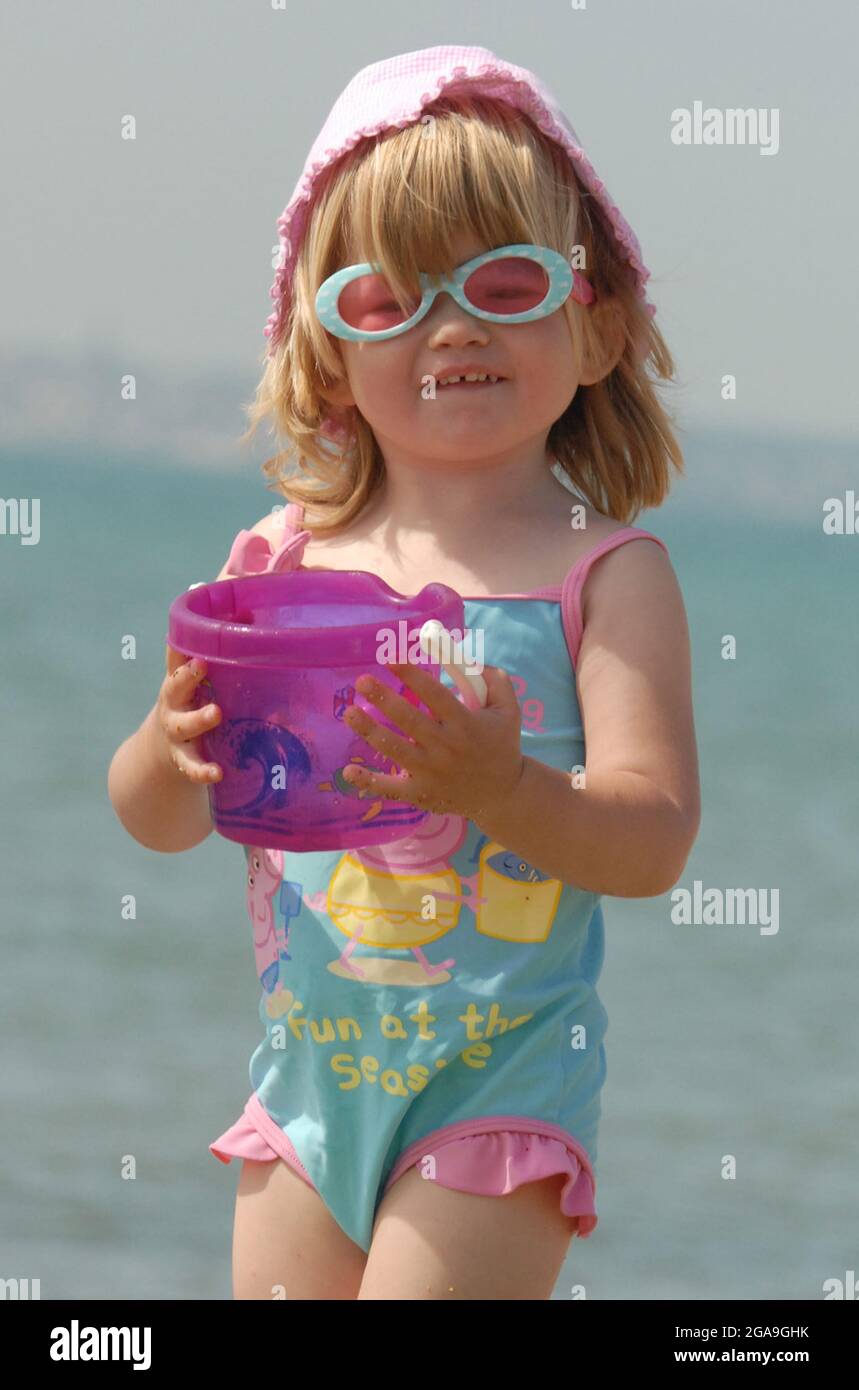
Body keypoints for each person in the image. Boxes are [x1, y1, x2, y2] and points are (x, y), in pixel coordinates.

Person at [108, 45, 700, 1301]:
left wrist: (499, 786)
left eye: (504, 280)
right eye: (385, 300)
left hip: (498, 1097)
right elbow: (159, 819)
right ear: (325, 354)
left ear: (594, 326)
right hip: (303, 1088)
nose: (452, 324)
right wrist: (168, 750)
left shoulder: (604, 574)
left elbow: (651, 844)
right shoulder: (274, 562)